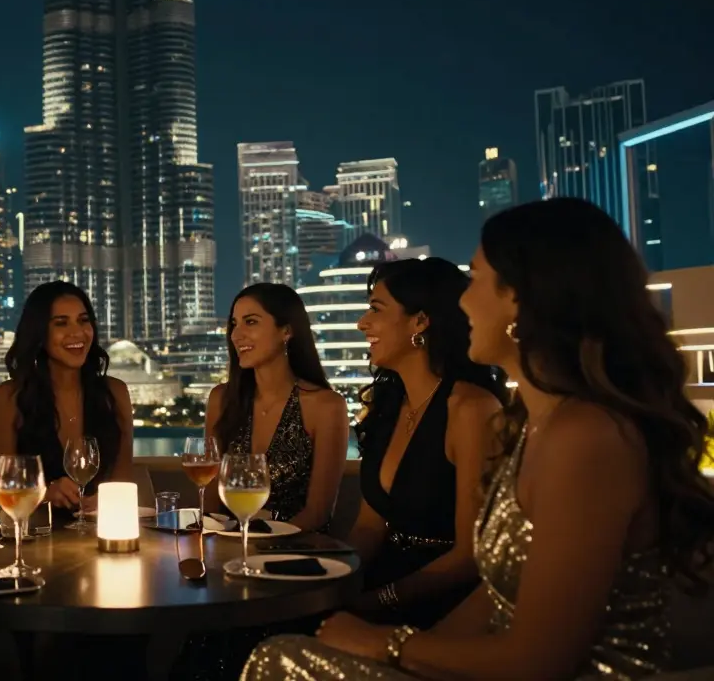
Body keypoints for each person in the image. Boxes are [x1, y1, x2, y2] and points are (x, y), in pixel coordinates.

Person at [242, 198, 714, 680]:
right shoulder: (536, 424)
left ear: (524, 297)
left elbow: (541, 659)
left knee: (276, 658)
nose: (464, 299)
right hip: (472, 645)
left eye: (478, 278)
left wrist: (388, 641)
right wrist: (404, 639)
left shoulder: (586, 437)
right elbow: (496, 593)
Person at [343, 258, 507, 628]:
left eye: (375, 308)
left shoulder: (471, 409)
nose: (362, 323)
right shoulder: (386, 405)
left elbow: (470, 555)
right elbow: (370, 526)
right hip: (379, 584)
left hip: (445, 606)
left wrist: (376, 603)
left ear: (420, 320)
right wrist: (329, 580)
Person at [205, 283, 349, 530]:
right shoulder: (222, 398)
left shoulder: (326, 406)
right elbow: (209, 503)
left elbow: (318, 513)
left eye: (250, 322)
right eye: (234, 324)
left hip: (295, 551)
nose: (236, 335)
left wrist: (263, 547)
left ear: (287, 331)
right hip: (229, 546)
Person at [0, 281, 134, 511]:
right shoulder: (11, 397)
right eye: (61, 323)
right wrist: (44, 493)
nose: (77, 332)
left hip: (101, 534)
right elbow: (0, 493)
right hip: (35, 539)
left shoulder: (115, 394)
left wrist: (106, 501)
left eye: (84, 321)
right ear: (39, 333)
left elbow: (123, 481)